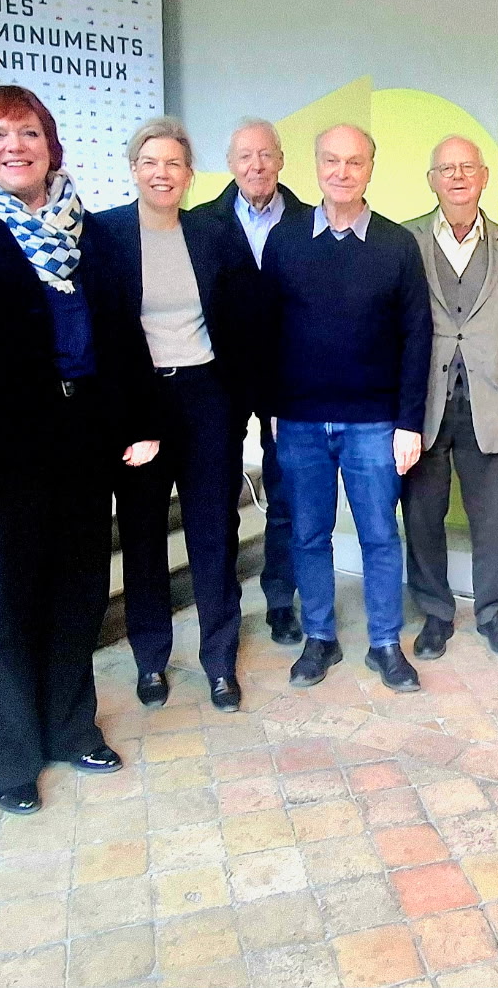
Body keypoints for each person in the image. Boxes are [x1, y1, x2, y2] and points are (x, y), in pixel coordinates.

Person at [0, 85, 160, 814]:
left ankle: (69, 727)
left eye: (28, 133)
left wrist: (138, 422)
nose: (14, 147)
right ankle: (9, 755)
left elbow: (121, 335)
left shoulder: (93, 234)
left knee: (76, 595)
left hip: (82, 440)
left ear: (52, 145)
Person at [258, 123, 431, 692]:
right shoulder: (284, 241)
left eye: (354, 162)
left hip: (373, 423)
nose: (341, 171)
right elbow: (269, 330)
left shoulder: (395, 245)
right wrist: (274, 407)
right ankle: (319, 638)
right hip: (301, 421)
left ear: (370, 169)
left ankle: (385, 643)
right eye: (331, 160)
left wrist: (408, 422)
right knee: (309, 534)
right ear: (315, 165)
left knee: (381, 533)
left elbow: (417, 337)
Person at [94, 117, 259, 711]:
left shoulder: (214, 233)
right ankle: (150, 660)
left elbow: (244, 318)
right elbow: (102, 333)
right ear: (133, 169)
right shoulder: (104, 234)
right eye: (150, 163)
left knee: (213, 533)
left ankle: (219, 663)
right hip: (139, 403)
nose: (161, 174)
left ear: (190, 176)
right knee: (142, 536)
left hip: (205, 399)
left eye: (173, 164)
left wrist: (236, 399)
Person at [400, 136, 498, 660]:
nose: (457, 177)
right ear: (432, 179)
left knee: (493, 516)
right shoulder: (404, 241)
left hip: (492, 402)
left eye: (467, 168)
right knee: (422, 515)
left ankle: (492, 613)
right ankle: (435, 614)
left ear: (483, 177)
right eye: (446, 169)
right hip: (423, 402)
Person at [189, 117, 308, 645]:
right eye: (244, 156)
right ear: (230, 163)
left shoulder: (312, 220)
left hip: (290, 379)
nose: (256, 166)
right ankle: (224, 612)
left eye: (265, 155)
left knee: (288, 493)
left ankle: (280, 599)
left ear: (281, 159)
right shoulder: (201, 223)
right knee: (218, 499)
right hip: (221, 379)